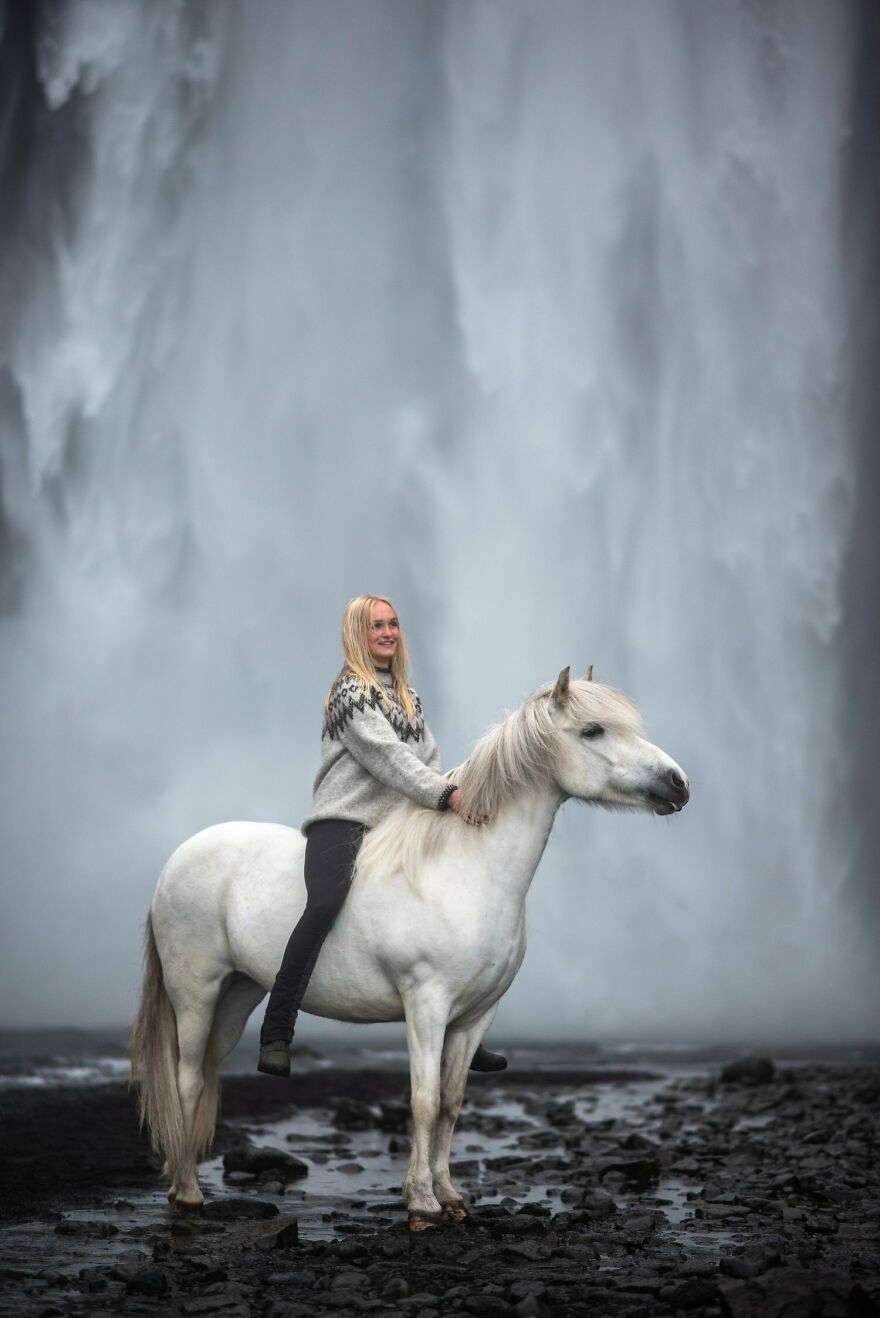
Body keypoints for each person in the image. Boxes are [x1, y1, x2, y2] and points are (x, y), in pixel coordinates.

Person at [258, 594, 507, 1078]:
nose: (388, 633)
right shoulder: (351, 692)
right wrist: (446, 797)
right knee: (325, 903)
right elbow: (388, 757)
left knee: (449, 897)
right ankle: (276, 1029)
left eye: (393, 624)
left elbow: (426, 762)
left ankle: (462, 1024)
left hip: (400, 824)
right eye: (377, 626)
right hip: (345, 820)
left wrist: (454, 797)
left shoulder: (408, 696)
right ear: (358, 634)